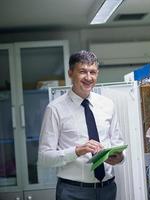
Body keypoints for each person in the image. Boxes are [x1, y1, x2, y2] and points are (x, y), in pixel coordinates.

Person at [38, 50, 124, 200]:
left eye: (93, 72)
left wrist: (119, 157)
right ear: (70, 73)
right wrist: (77, 151)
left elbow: (118, 143)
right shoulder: (55, 109)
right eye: (83, 71)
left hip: (107, 189)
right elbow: (44, 157)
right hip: (73, 192)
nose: (89, 77)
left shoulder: (108, 105)